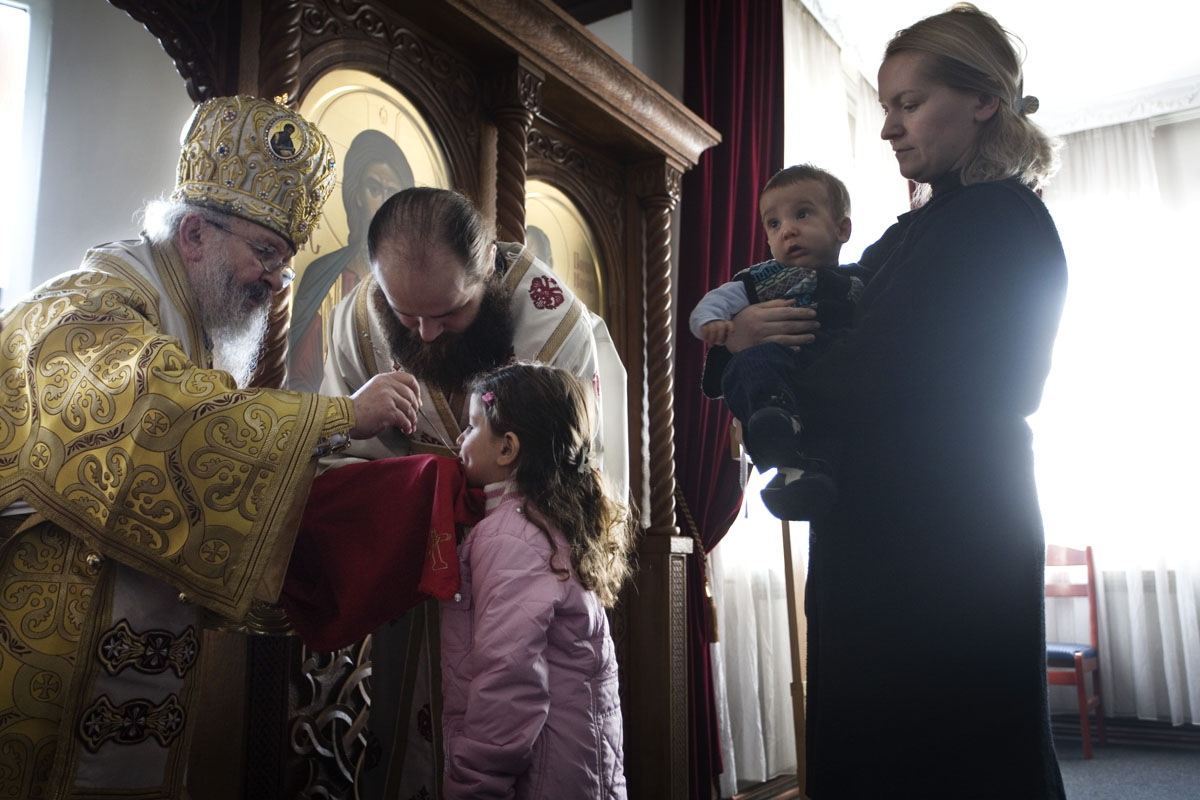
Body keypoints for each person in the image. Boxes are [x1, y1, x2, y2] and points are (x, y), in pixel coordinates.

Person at [0, 95, 423, 798]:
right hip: (45, 672)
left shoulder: (187, 333)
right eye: (264, 254)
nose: (274, 282)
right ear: (194, 231)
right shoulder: (85, 307)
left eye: (284, 266)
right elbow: (153, 417)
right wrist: (338, 415)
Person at [721, 5, 1069, 797]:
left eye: (907, 104)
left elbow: (876, 371)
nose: (888, 129)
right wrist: (752, 336)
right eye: (886, 106)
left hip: (943, 532)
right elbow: (838, 329)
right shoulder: (919, 227)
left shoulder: (995, 219)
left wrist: (753, 348)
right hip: (896, 521)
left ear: (983, 100)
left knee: (944, 749)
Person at [317, 185, 628, 798]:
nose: (427, 335)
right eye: (406, 316)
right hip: (409, 564)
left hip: (515, 556)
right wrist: (354, 416)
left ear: (485, 264)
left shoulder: (549, 318)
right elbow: (339, 453)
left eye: (450, 313)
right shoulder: (358, 318)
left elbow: (562, 466)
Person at [443, 362, 632, 799]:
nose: (459, 440)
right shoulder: (544, 523)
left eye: (471, 428)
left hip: (544, 778)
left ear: (507, 448)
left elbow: (508, 681)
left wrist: (475, 784)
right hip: (572, 765)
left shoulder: (514, 537)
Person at [689, 164, 866, 519]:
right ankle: (772, 418)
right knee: (749, 362)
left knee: (833, 433)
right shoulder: (759, 279)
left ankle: (805, 477)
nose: (788, 230)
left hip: (832, 381)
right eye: (774, 224)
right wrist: (711, 322)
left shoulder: (860, 282)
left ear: (842, 228)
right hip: (780, 369)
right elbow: (715, 301)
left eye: (802, 214)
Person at [288, 129, 415, 392]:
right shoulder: (323, 276)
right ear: (358, 194)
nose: (383, 203)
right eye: (374, 189)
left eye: (392, 192)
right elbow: (300, 376)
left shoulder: (413, 284)